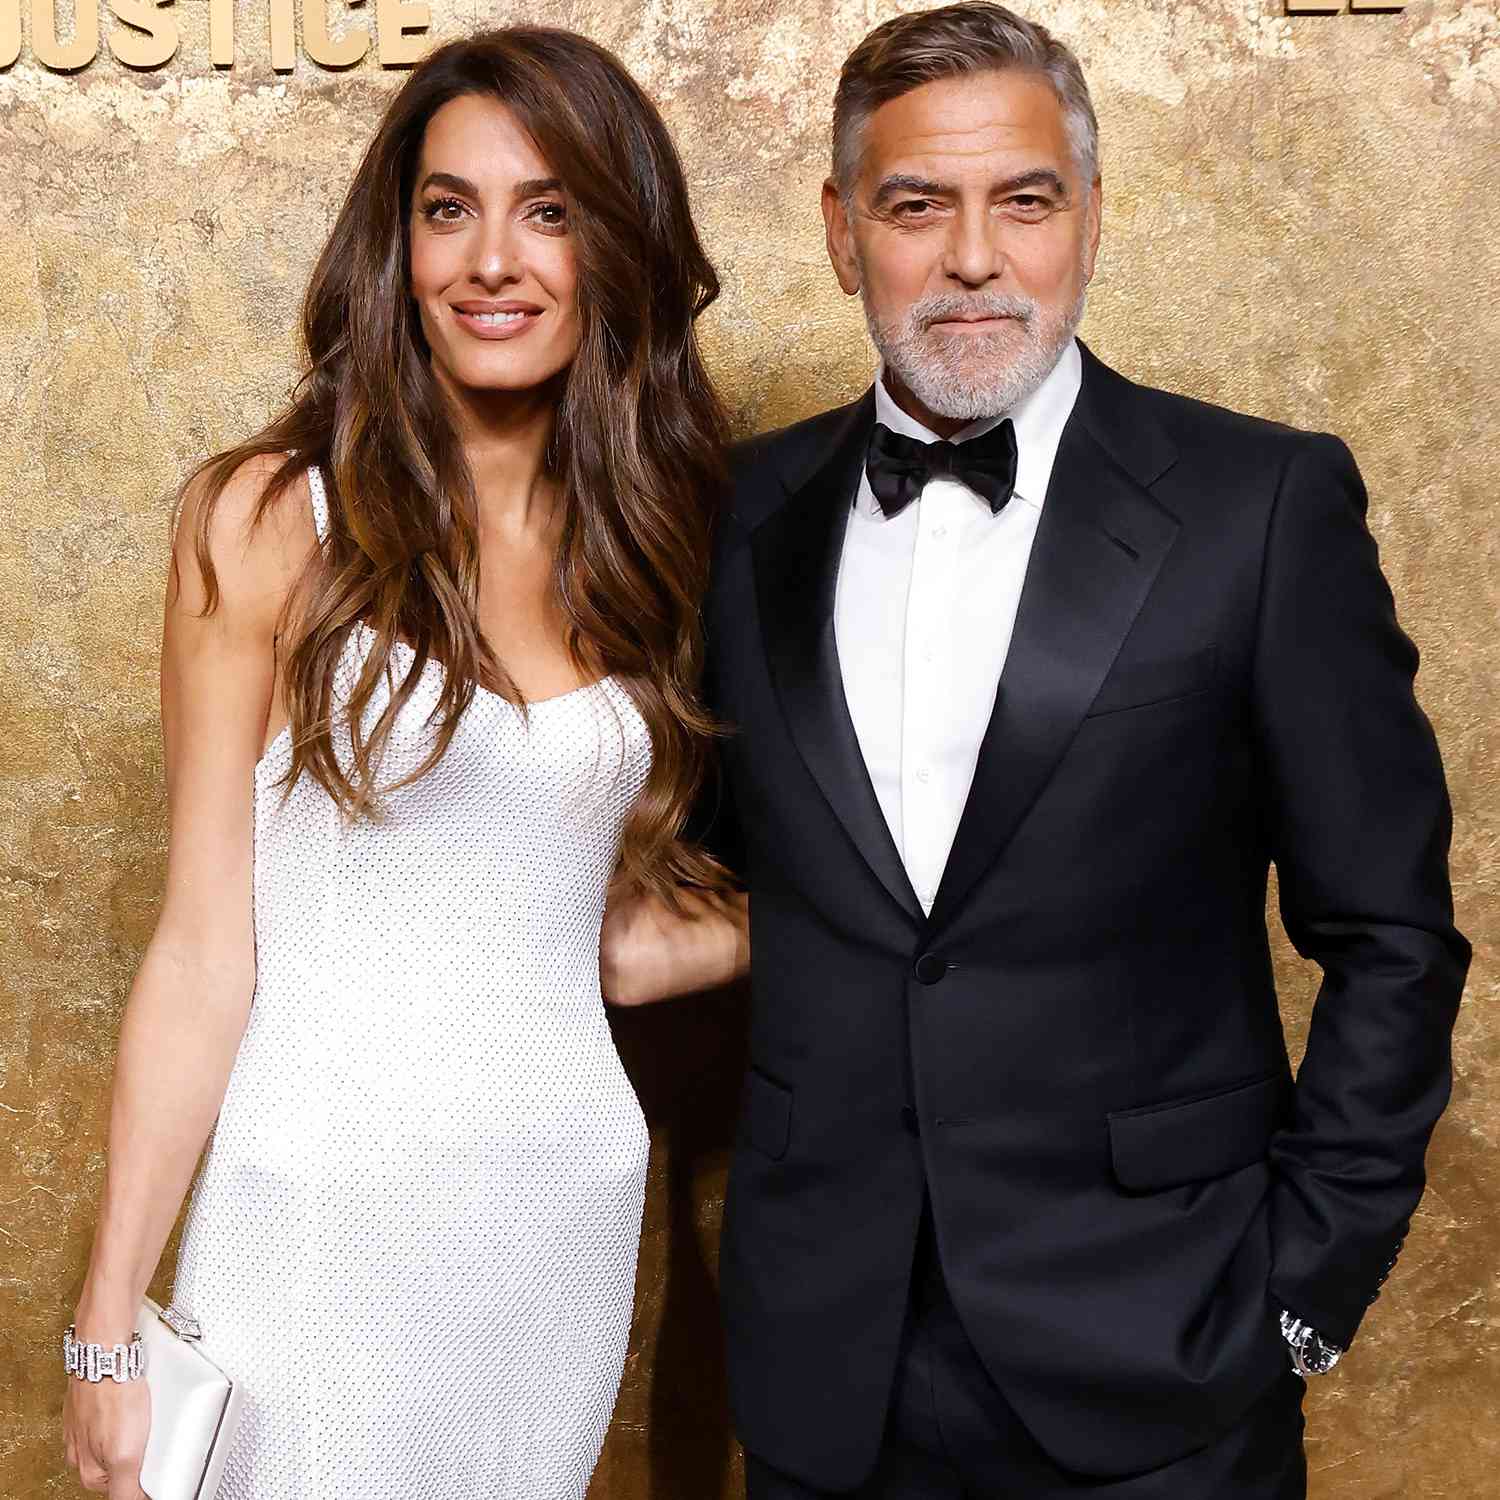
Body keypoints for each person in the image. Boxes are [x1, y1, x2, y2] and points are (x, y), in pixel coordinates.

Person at [692, 4, 1470, 1496]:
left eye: (1025, 200)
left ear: (1092, 219)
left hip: (1164, 1360)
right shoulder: (729, 519)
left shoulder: (1261, 506)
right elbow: (708, 869)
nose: (973, 256)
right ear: (844, 231)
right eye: (917, 206)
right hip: (826, 1371)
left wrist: (1300, 1295)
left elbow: (1391, 936)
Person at [61, 26, 744, 1500]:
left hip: (557, 1218)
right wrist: (110, 1318)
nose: (492, 258)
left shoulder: (650, 538)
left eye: (549, 209)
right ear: (400, 242)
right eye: (450, 207)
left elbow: (596, 926)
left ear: (614, 246)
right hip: (321, 1217)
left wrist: (850, 932)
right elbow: (200, 948)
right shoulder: (268, 519)